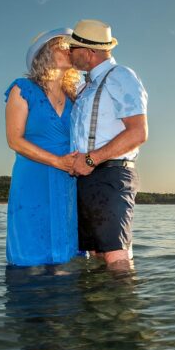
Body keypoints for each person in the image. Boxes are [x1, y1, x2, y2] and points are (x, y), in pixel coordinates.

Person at [66, 19, 149, 271]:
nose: (69, 53)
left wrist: (91, 159)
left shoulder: (120, 75)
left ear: (89, 52)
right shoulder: (85, 87)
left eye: (73, 48)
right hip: (85, 179)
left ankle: (123, 310)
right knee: (95, 256)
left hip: (111, 174)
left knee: (116, 256)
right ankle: (100, 309)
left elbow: (138, 132)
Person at [3, 28, 81, 266]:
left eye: (73, 47)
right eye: (64, 45)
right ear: (45, 52)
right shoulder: (22, 89)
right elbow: (14, 141)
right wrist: (57, 161)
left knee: (68, 254)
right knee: (31, 251)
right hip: (33, 175)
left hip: (69, 178)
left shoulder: (75, 96)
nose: (71, 50)